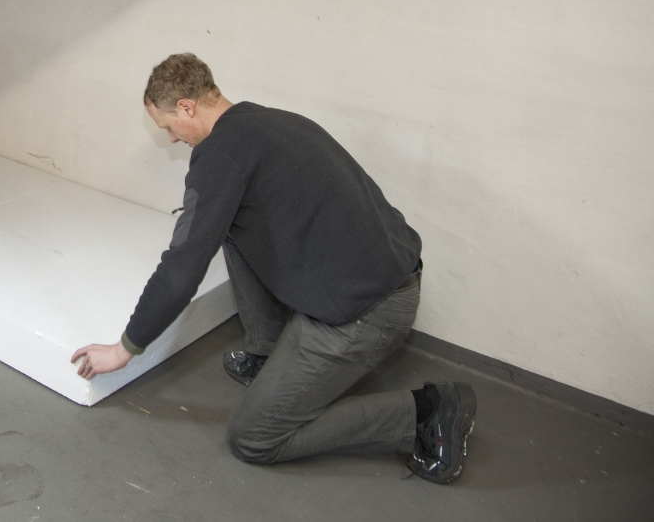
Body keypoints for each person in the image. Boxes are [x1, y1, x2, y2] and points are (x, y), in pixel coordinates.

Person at [71, 54, 476, 484]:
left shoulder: (219, 157)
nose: (171, 138)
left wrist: (123, 350)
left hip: (364, 312)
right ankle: (265, 354)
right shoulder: (270, 121)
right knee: (228, 226)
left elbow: (181, 270)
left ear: (187, 107)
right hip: (391, 273)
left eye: (169, 126)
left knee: (254, 437)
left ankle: (425, 414)